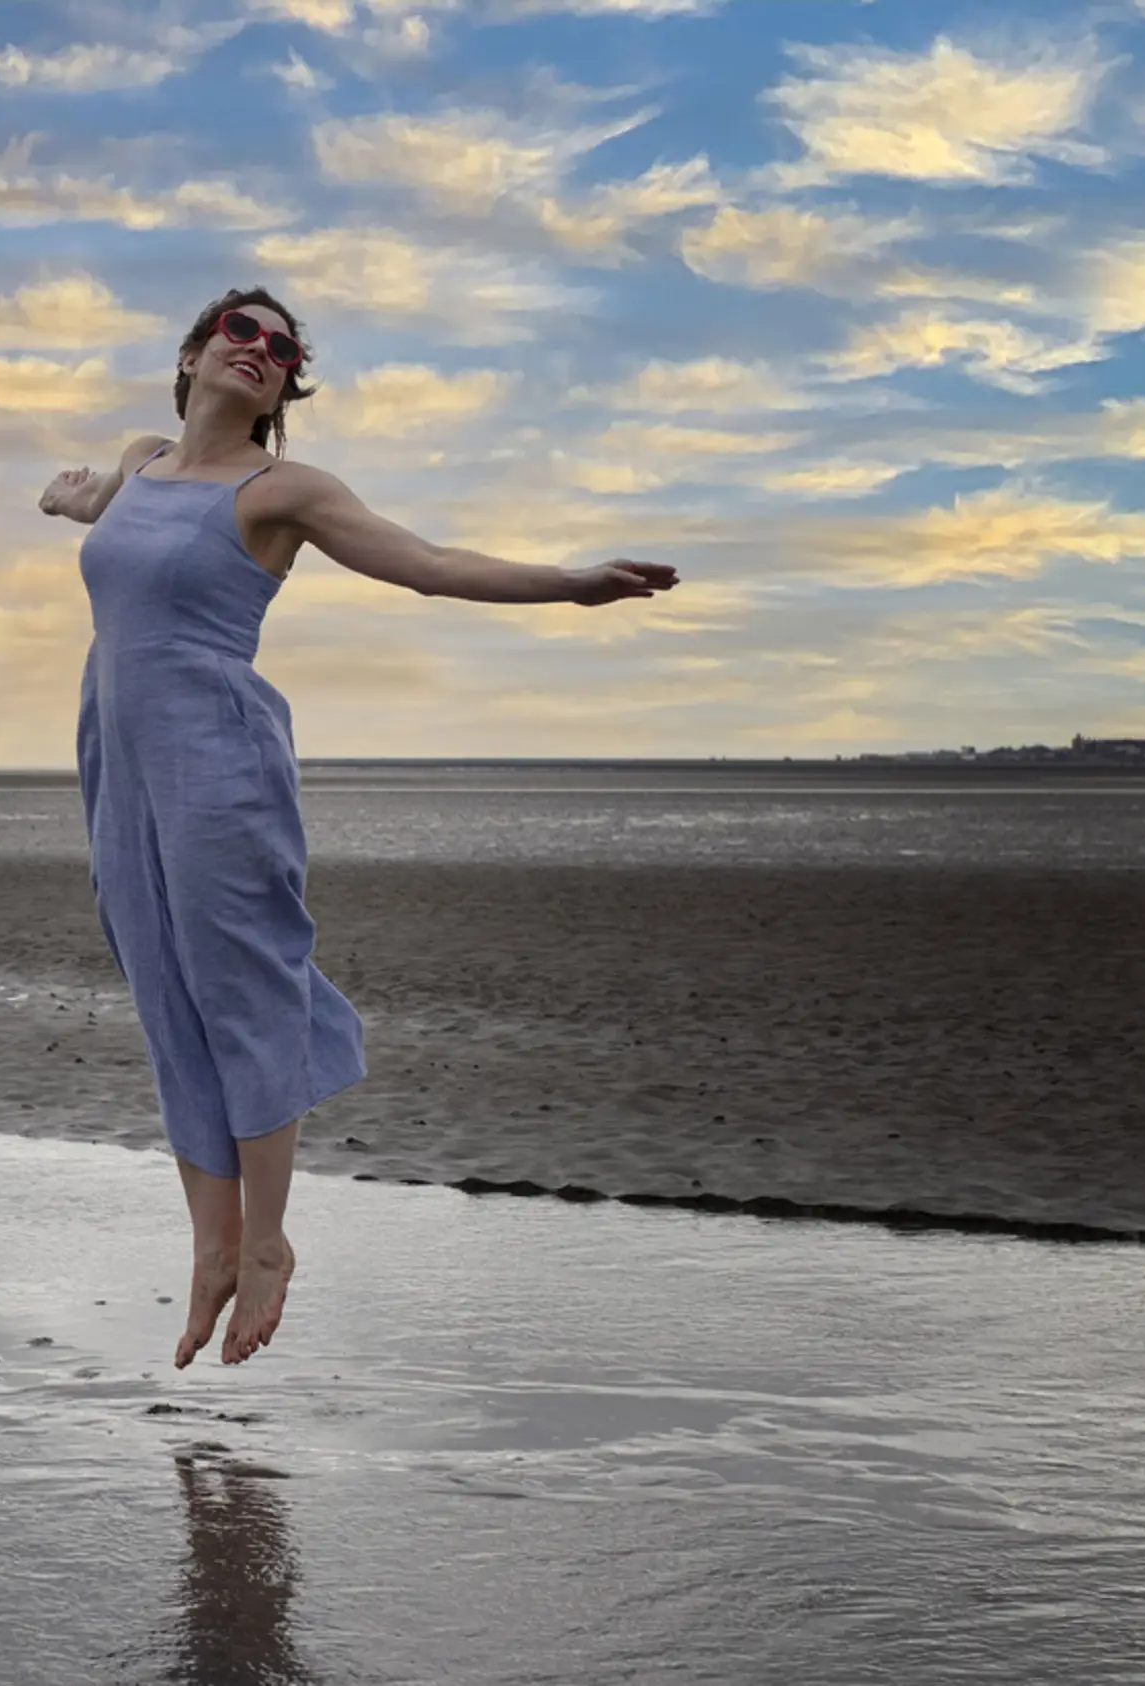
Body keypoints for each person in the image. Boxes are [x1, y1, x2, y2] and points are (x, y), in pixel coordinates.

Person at [41, 286, 678, 1369]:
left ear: (284, 390)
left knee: (242, 980)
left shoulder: (283, 492)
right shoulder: (142, 460)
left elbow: (427, 564)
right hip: (119, 760)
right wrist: (75, 499)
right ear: (192, 354)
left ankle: (268, 1239)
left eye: (283, 351)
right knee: (162, 986)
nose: (262, 351)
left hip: (216, 756)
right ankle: (211, 1245)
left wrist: (571, 586)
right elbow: (114, 507)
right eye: (242, 332)